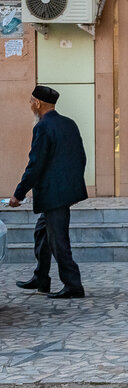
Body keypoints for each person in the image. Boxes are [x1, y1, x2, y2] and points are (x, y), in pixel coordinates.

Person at [6, 86, 89, 299]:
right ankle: (41, 278)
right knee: (42, 233)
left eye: (31, 101)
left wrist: (19, 194)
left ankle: (73, 285)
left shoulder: (42, 127)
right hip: (64, 191)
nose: (30, 104)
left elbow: (35, 164)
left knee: (58, 240)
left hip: (53, 194)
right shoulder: (69, 123)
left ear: (38, 104)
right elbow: (81, 157)